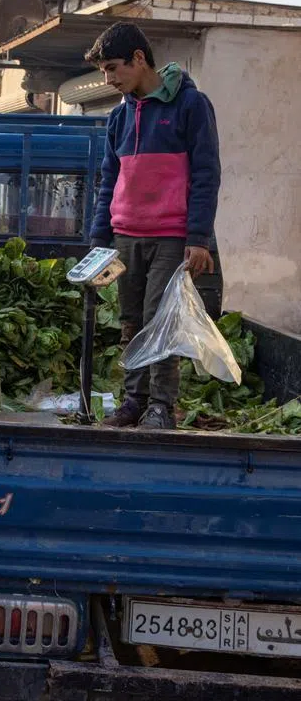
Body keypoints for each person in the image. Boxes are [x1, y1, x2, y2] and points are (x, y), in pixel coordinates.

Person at [85, 22, 220, 430]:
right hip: (127, 235)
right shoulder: (118, 118)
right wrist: (98, 238)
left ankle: (162, 407)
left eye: (113, 69)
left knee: (160, 321)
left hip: (172, 236)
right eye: (104, 72)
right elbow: (108, 180)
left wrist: (199, 239)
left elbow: (206, 174)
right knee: (130, 322)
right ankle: (133, 402)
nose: (109, 80)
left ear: (139, 59)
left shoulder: (191, 105)